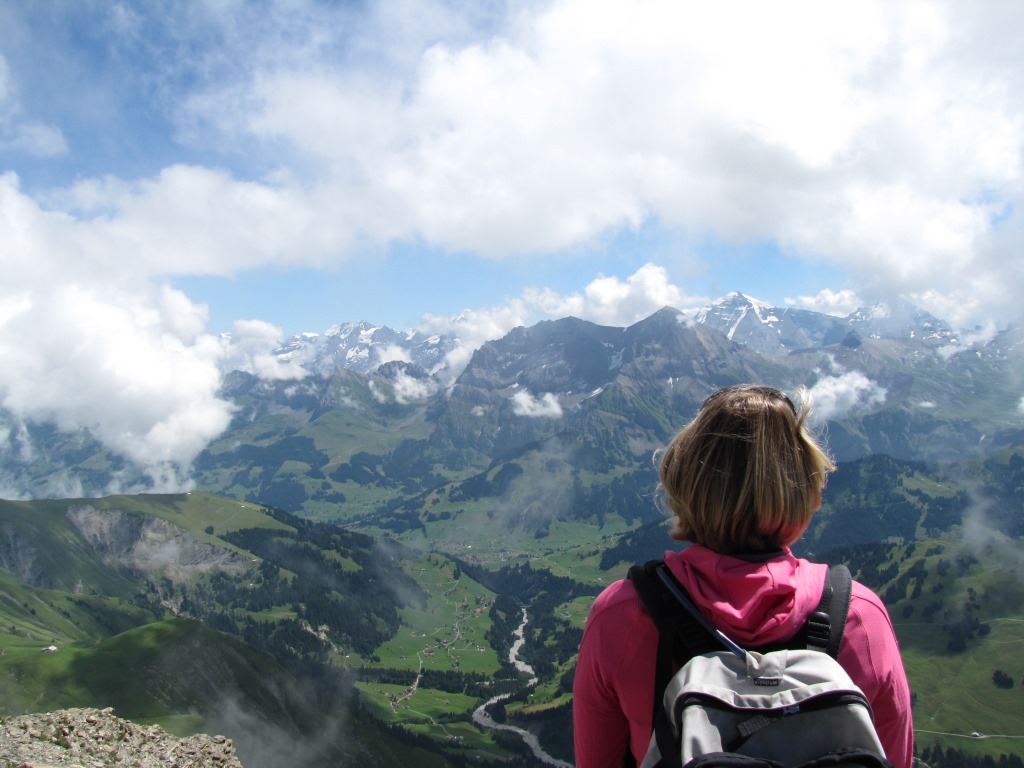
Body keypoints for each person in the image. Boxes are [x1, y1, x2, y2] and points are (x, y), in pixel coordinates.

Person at [573, 384, 913, 768]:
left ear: (682, 481)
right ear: (805, 489)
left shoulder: (621, 616)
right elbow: (893, 758)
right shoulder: (860, 618)